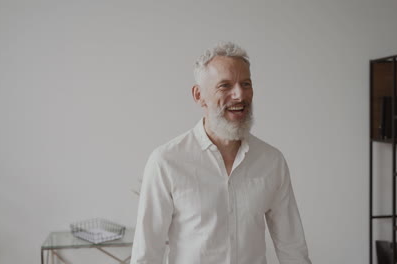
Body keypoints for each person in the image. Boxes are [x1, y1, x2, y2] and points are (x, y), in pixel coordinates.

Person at [131, 42, 312, 264]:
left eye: (246, 84)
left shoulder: (272, 161)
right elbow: (147, 254)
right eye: (225, 86)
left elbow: (291, 247)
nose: (239, 95)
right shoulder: (166, 162)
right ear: (199, 96)